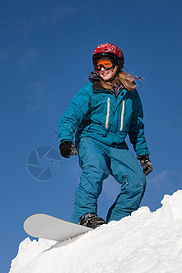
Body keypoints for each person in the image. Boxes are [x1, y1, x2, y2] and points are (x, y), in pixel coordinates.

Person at [58, 43, 153, 228]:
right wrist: (65, 140)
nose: (102, 69)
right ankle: (84, 214)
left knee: (137, 180)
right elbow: (71, 115)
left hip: (117, 145)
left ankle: (117, 221)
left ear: (117, 64)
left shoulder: (130, 94)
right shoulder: (90, 90)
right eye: (98, 65)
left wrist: (143, 155)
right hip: (91, 139)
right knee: (95, 169)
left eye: (106, 64)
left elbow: (136, 125)